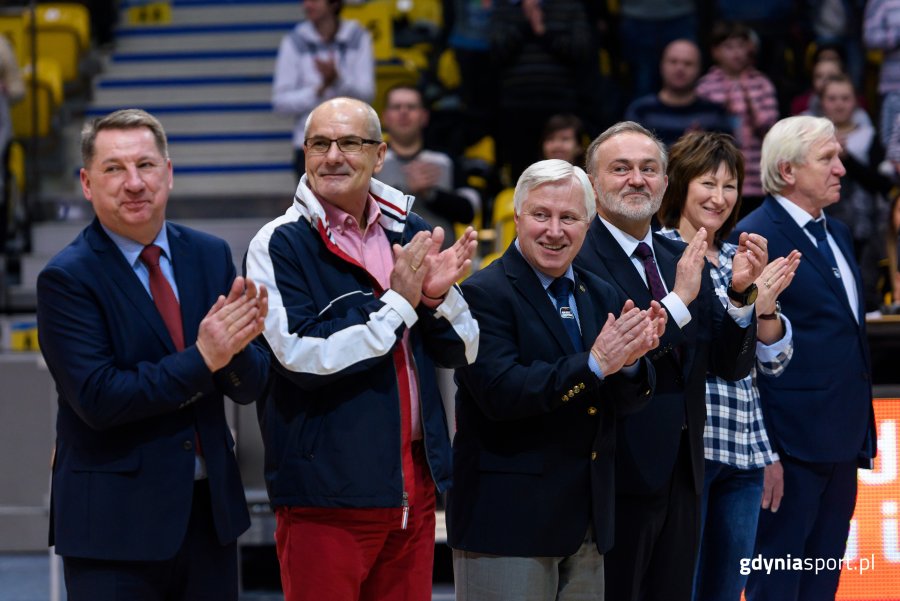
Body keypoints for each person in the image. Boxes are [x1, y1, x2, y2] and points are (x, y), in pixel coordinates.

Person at [244, 97, 480, 601]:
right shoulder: (278, 243)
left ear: (379, 155)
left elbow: (463, 349)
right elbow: (302, 355)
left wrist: (435, 298)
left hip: (412, 492)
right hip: (324, 496)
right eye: (319, 143)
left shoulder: (411, 231)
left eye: (349, 142)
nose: (333, 155)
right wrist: (398, 303)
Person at [35, 109, 270, 600]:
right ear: (86, 182)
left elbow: (248, 388)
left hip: (209, 518)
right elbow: (101, 398)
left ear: (169, 172)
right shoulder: (67, 278)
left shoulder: (209, 254)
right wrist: (205, 356)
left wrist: (241, 347)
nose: (134, 182)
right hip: (114, 530)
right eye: (114, 169)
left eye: (145, 165)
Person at [447, 159, 665, 601]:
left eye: (568, 218)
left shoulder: (599, 291)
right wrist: (596, 363)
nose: (554, 230)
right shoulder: (481, 294)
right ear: (518, 217)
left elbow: (622, 400)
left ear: (588, 224)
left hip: (587, 523)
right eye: (541, 215)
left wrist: (629, 364)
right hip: (508, 525)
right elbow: (501, 393)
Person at [575, 121, 765, 601]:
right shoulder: (578, 256)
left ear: (664, 182)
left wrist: (741, 295)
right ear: (593, 181)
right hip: (614, 475)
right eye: (621, 169)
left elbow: (727, 365)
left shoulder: (678, 254)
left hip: (685, 470)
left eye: (648, 169)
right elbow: (620, 355)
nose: (637, 179)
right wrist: (680, 299)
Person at [733, 115, 877, 600]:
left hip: (842, 440)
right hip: (787, 448)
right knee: (776, 582)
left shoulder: (836, 232)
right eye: (827, 159)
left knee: (822, 580)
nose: (841, 168)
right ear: (788, 170)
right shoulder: (755, 236)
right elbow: (746, 353)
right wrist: (766, 451)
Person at [656, 131, 799, 601]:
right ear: (680, 183)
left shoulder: (743, 257)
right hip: (683, 452)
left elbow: (773, 362)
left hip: (745, 450)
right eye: (707, 183)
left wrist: (766, 308)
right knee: (680, 586)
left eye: (730, 185)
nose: (720, 198)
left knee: (726, 591)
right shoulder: (653, 254)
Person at [272, 0, 374, 179]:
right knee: (311, 207)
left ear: (334, 4)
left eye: (315, 0)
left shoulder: (358, 36)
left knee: (353, 206)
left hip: (352, 143)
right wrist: (318, 90)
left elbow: (367, 95)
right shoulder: (295, 41)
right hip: (310, 144)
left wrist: (338, 81)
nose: (307, 5)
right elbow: (280, 103)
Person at [379, 84, 479, 247]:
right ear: (385, 117)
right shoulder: (372, 160)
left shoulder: (445, 160)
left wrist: (431, 194)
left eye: (411, 107)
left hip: (441, 260)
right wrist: (404, 192)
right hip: (386, 261)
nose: (403, 112)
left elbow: (469, 211)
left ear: (424, 116)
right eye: (396, 107)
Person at [697, 21, 779, 216]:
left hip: (756, 179)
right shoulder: (705, 86)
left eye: (741, 46)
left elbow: (772, 133)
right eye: (729, 47)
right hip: (718, 174)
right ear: (715, 51)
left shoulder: (761, 83)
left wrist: (751, 104)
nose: (736, 53)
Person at [819, 73, 893, 259]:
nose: (839, 104)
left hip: (862, 225)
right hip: (820, 220)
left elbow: (881, 183)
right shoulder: (810, 137)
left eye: (845, 98)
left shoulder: (869, 136)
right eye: (832, 98)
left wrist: (847, 159)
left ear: (855, 102)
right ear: (822, 102)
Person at [624, 39, 734, 147]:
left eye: (688, 63)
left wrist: (701, 150)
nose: (680, 68)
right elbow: (630, 155)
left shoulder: (714, 113)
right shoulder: (641, 111)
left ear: (700, 69)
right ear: (661, 65)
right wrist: (683, 150)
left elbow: (728, 158)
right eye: (673, 62)